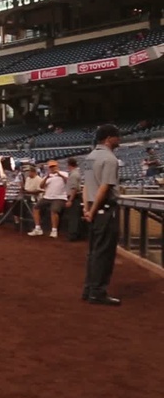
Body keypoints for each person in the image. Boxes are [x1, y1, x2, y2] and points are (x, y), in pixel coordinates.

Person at [82, 124, 122, 306]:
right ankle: (98, 292)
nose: (119, 139)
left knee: (93, 252)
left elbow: (86, 185)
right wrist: (91, 210)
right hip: (104, 210)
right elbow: (104, 188)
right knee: (104, 253)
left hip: (92, 210)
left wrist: (87, 209)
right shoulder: (110, 159)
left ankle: (89, 289)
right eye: (116, 136)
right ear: (108, 138)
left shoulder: (89, 157)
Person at [35, 160, 68, 238]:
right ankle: (38, 228)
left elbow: (68, 181)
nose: (52, 168)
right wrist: (46, 177)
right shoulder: (47, 176)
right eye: (51, 167)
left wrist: (59, 173)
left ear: (57, 166)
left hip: (59, 197)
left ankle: (54, 230)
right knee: (36, 207)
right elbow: (41, 186)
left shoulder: (64, 173)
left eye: (54, 166)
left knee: (54, 210)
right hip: (47, 197)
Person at [64, 157, 84, 241]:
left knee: (74, 217)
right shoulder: (75, 173)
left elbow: (74, 189)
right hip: (76, 197)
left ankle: (73, 235)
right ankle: (75, 234)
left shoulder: (74, 174)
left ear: (69, 165)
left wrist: (70, 200)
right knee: (75, 217)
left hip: (74, 197)